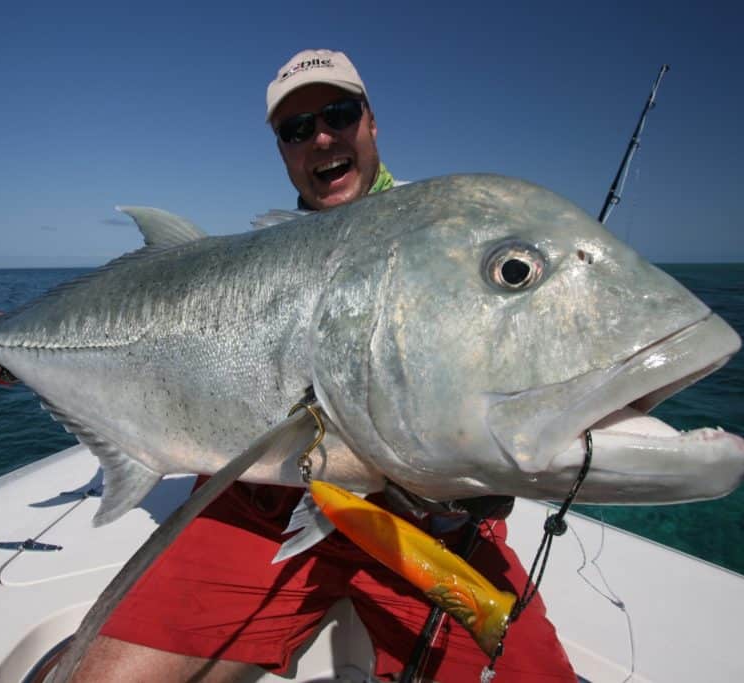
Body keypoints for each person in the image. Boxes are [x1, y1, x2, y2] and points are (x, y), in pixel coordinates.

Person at [73, 50, 576, 682]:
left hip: (423, 530)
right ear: (282, 150)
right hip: (262, 505)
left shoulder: (447, 241)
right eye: (296, 128)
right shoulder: (257, 261)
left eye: (338, 113)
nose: (321, 137)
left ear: (370, 122)